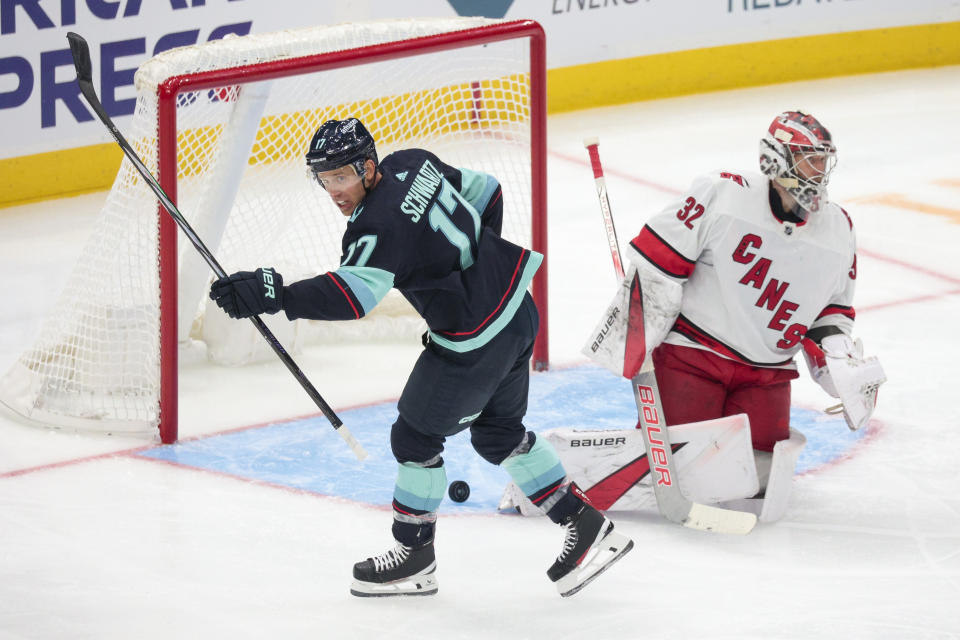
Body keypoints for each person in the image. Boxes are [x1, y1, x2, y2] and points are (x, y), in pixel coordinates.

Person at [209, 118, 633, 597]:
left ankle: (414, 557)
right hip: (517, 310)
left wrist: (276, 294)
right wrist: (472, 266)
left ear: (368, 167)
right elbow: (488, 192)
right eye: (324, 180)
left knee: (414, 436)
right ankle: (587, 525)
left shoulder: (374, 225)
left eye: (341, 177)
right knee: (498, 435)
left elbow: (354, 298)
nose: (333, 190)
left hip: (474, 340)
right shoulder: (413, 162)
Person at [585, 110, 884, 517]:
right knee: (678, 472)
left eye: (822, 160)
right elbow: (657, 262)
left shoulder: (839, 229)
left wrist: (839, 362)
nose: (818, 171)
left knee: (754, 487)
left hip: (767, 373)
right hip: (694, 357)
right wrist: (634, 334)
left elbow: (830, 314)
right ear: (775, 160)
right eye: (807, 158)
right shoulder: (722, 195)